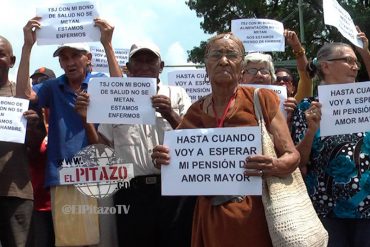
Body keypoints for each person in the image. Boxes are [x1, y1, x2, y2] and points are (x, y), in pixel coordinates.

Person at [151, 32, 300, 247]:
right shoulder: (196, 111)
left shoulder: (262, 100)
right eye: (216, 55)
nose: (223, 61)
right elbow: (178, 159)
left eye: (232, 55)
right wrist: (163, 158)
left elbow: (292, 155)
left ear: (241, 67)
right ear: (206, 66)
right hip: (211, 216)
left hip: (257, 215)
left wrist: (274, 165)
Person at [75, 40, 194, 247]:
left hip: (174, 190)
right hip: (131, 192)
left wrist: (170, 113)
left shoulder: (178, 94)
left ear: (161, 66)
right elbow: (103, 150)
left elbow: (194, 140)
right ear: (128, 68)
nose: (145, 66)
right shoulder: (114, 98)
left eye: (151, 61)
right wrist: (86, 120)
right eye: (138, 61)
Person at [16, 17, 121, 247]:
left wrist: (107, 44)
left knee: (102, 240)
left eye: (75, 55)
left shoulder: (99, 82)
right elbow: (23, 95)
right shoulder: (53, 87)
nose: (70, 62)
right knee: (69, 241)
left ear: (88, 58)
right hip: (64, 175)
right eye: (64, 57)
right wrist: (27, 47)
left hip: (98, 173)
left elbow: (123, 92)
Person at [291, 30, 370, 247]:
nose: (355, 66)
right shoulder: (306, 107)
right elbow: (299, 161)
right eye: (348, 61)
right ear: (325, 66)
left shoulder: (366, 102)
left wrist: (365, 53)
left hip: (367, 208)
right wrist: (311, 130)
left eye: (357, 62)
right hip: (326, 210)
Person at [0, 35, 36, 247]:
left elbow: (35, 143)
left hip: (15, 190)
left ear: (12, 61)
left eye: (0, 55)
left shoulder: (22, 97)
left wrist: (32, 125)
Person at [240, 52, 297, 125]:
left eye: (264, 71)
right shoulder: (231, 104)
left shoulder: (285, 105)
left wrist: (288, 121)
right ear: (241, 77)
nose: (259, 75)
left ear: (272, 78)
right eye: (252, 71)